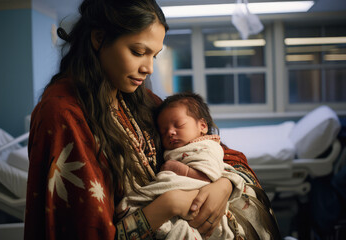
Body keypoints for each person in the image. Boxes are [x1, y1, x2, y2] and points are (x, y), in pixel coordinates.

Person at [24, 0, 279, 239]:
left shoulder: (142, 100)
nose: (149, 68)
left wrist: (223, 185)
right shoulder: (63, 113)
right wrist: (169, 203)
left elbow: (222, 154)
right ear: (99, 38)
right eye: (138, 52)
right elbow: (88, 231)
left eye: (154, 55)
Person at [117, 92, 281, 239]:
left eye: (179, 125)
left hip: (202, 199)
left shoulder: (206, 147)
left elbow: (207, 175)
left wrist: (182, 170)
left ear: (203, 126)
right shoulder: (166, 123)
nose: (170, 133)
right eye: (163, 131)